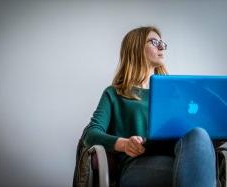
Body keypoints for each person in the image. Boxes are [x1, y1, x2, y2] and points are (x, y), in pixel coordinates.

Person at [82, 26, 217, 187]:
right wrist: (124, 144)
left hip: (179, 156)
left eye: (162, 43)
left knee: (199, 134)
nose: (161, 46)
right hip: (138, 164)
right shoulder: (114, 93)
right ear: (136, 48)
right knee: (199, 174)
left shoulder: (175, 92)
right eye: (154, 42)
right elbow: (90, 134)